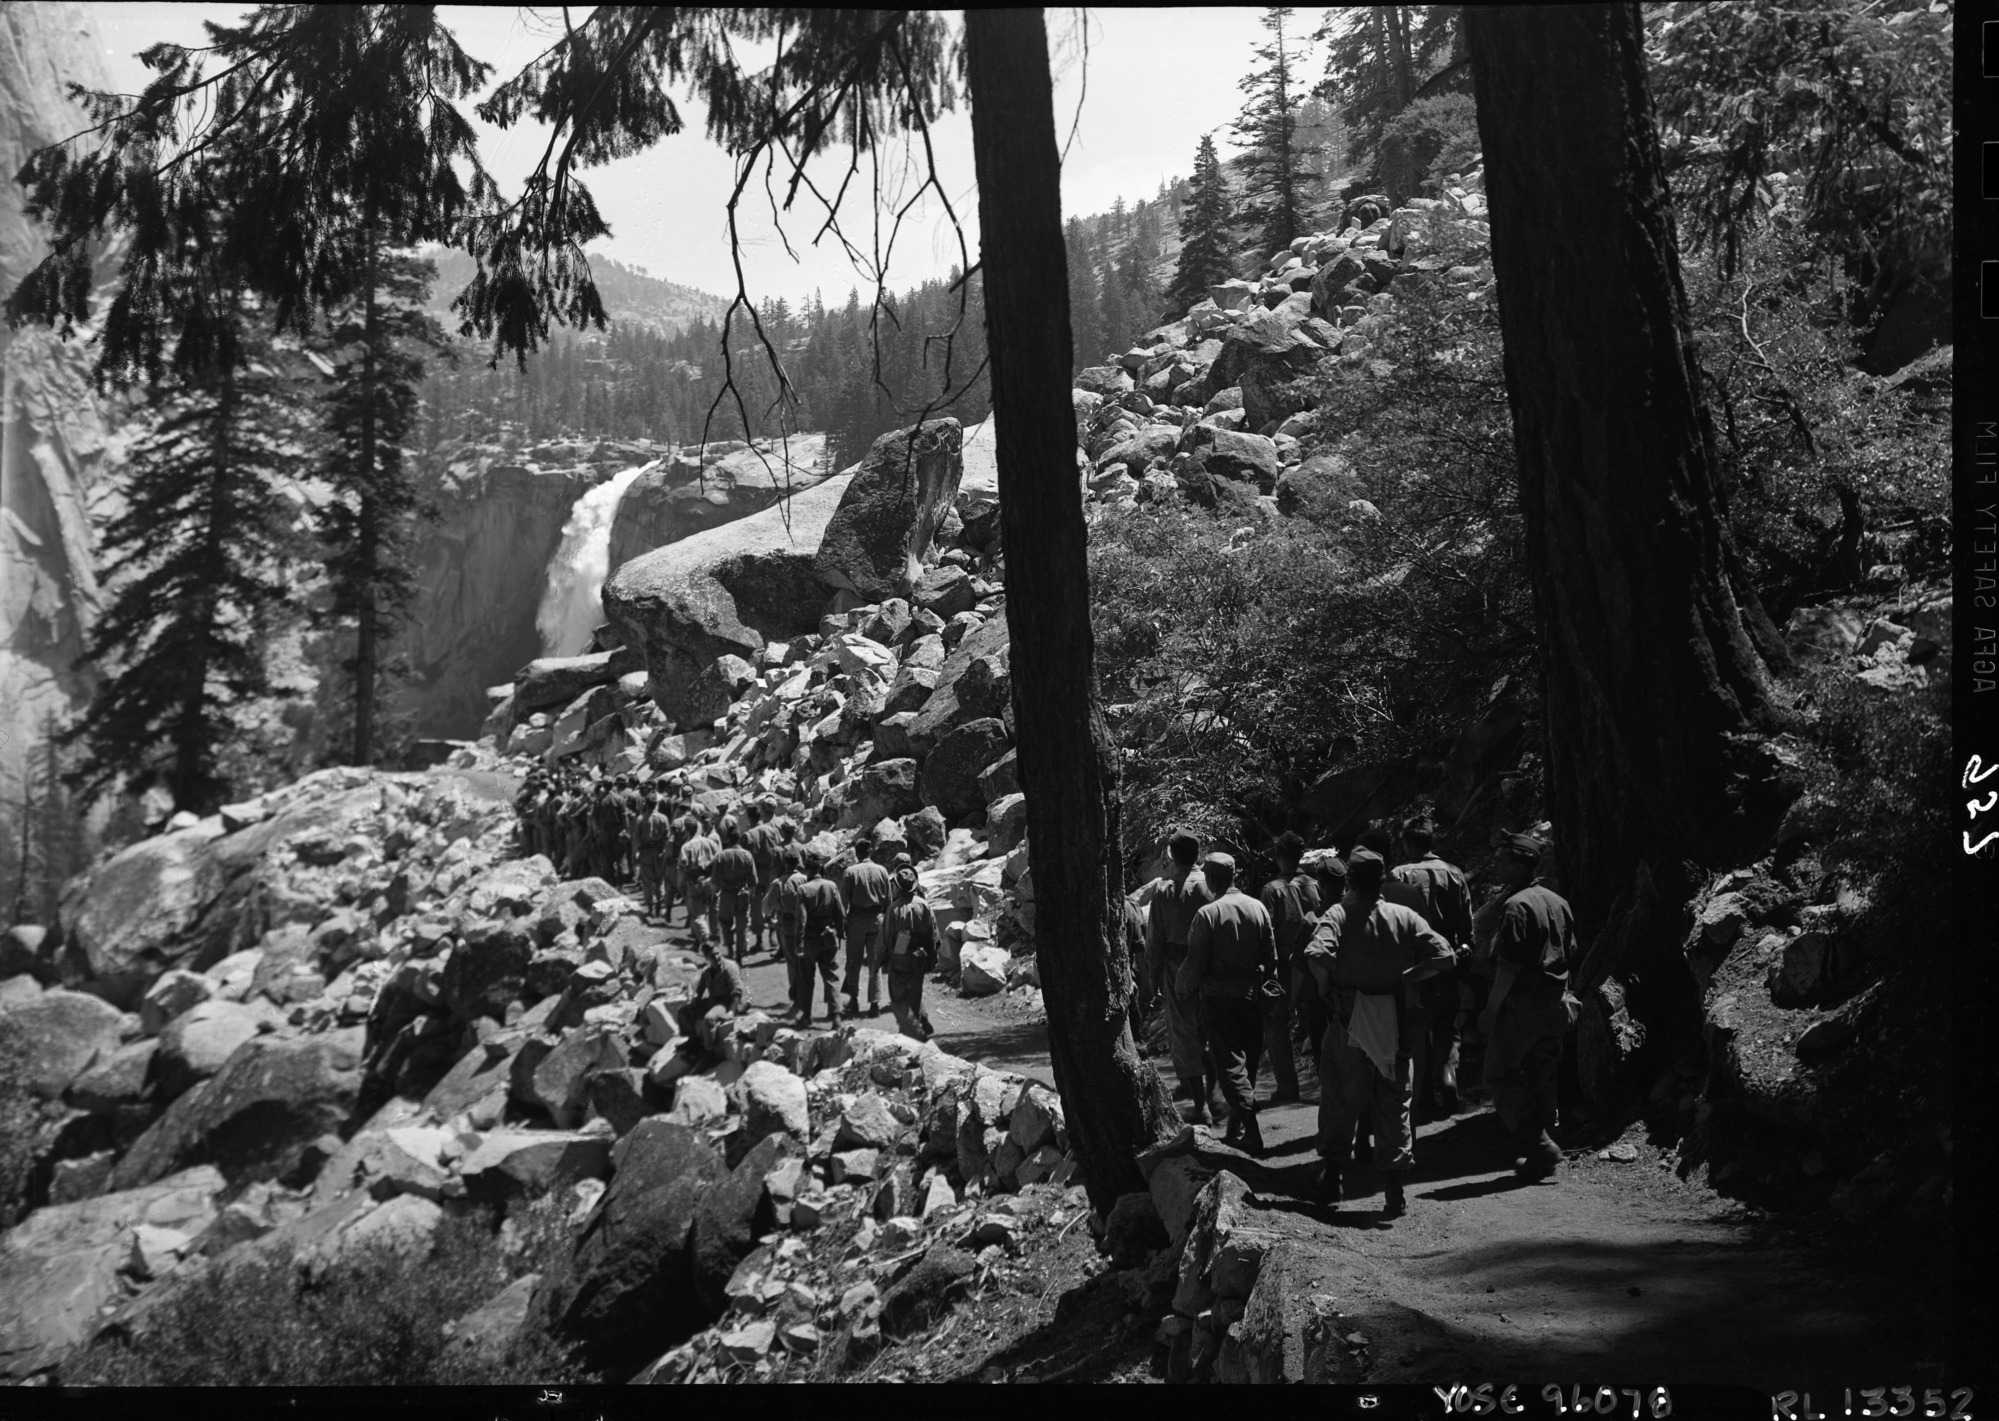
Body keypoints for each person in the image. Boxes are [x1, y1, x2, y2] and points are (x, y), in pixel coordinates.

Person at [1302, 846, 1454, 1218]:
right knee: (1394, 1100)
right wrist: (1408, 977)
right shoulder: (1403, 916)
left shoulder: (1339, 913)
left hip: (1350, 1018)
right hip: (1395, 1018)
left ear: (1351, 881)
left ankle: (1333, 1176)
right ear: (1383, 877)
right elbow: (1445, 956)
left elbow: (1316, 954)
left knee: (1340, 1094)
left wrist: (1327, 986)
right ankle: (1394, 1190)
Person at [1478, 833, 1581, 1181]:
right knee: (1541, 1076)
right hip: (1555, 1003)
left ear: (1520, 862)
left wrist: (1491, 1010)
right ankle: (1543, 1150)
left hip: (1521, 1007)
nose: (1496, 865)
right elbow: (1571, 950)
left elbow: (1508, 966)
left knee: (1499, 1074)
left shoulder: (1516, 907)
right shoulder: (1557, 901)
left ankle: (1538, 1143)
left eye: (1502, 859)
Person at [1178, 852, 1278, 1157]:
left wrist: (1183, 988)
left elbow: (1194, 962)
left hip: (1218, 997)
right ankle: (1238, 1125)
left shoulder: (1207, 914)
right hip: (1251, 995)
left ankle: (1253, 1132)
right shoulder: (1257, 907)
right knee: (1247, 1061)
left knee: (1229, 1063)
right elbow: (1271, 959)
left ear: (1209, 879)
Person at [1390, 815, 1477, 1120]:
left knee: (1415, 1029)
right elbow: (1467, 922)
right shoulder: (1454, 873)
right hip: (1447, 960)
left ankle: (1423, 1095)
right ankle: (1449, 1077)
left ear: (1407, 843)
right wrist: (1465, 945)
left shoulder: (1398, 875)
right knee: (1447, 1026)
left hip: (1412, 965)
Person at [1144, 829, 1220, 1122]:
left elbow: (1155, 939)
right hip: (1211, 964)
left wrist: (1151, 976)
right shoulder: (1212, 884)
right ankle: (1215, 1096)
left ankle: (1201, 1105)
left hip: (1177, 966)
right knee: (1209, 1029)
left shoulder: (1165, 890)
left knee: (1185, 1033)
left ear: (1173, 855)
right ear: (1198, 854)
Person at [1257, 830, 1318, 1104]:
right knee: (1318, 1022)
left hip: (1283, 965)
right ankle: (1328, 1081)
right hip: (1316, 963)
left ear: (1280, 858)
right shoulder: (1316, 884)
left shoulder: (1272, 890)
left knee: (1275, 1024)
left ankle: (1287, 1087)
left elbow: (1266, 932)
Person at [649, 934, 749, 1097]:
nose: (716, 957)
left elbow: (737, 992)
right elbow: (700, 990)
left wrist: (731, 1011)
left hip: (726, 1002)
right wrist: (694, 1003)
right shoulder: (707, 971)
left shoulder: (730, 967)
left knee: (710, 1019)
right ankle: (693, 1040)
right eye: (712, 956)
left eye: (717, 954)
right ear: (707, 958)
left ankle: (709, 1052)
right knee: (683, 1012)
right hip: (713, 1000)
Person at [878, 859, 939, 1042]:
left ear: (897, 886)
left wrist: (880, 960)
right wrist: (932, 959)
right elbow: (933, 935)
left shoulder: (893, 909)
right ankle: (915, 1031)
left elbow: (886, 937)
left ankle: (912, 1035)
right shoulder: (924, 905)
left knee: (898, 998)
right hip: (919, 956)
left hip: (900, 957)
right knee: (915, 994)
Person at [839, 835, 893, 1018]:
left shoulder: (850, 872)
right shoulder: (882, 871)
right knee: (874, 963)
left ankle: (853, 1001)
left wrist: (842, 923)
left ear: (857, 853)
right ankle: (874, 1004)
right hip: (877, 920)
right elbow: (888, 901)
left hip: (856, 920)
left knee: (853, 962)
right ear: (870, 852)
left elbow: (843, 901)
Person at [797, 850, 849, 1027]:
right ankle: (836, 1016)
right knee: (831, 976)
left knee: (806, 978)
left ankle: (806, 1016)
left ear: (807, 870)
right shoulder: (831, 886)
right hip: (828, 937)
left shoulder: (803, 889)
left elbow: (802, 920)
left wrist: (800, 942)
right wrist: (840, 932)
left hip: (810, 938)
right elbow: (840, 913)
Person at [764, 845, 810, 1021]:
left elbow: (766, 908)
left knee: (792, 963)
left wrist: (778, 906)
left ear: (785, 863)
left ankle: (797, 999)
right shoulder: (806, 879)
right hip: (806, 924)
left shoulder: (778, 883)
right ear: (798, 863)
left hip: (788, 924)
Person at [711, 820, 759, 963]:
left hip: (726, 894)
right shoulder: (747, 855)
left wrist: (714, 895)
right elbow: (753, 880)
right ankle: (740, 954)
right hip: (742, 894)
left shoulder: (721, 855)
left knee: (725, 922)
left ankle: (730, 949)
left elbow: (715, 880)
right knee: (742, 924)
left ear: (727, 838)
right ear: (739, 838)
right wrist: (751, 894)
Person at [742, 803, 780, 955]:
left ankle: (759, 940)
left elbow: (744, 857)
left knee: (756, 905)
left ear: (749, 817)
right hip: (771, 871)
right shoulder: (771, 830)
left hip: (756, 872)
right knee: (772, 901)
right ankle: (772, 933)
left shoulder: (749, 834)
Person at [678, 814, 721, 945]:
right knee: (713, 910)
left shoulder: (686, 847)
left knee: (698, 916)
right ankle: (715, 937)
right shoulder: (711, 843)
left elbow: (682, 868)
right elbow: (719, 860)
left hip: (694, 883)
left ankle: (705, 940)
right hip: (710, 881)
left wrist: (680, 885)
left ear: (686, 829)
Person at [635, 794, 674, 919]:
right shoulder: (663, 818)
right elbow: (667, 837)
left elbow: (637, 838)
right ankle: (659, 905)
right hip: (659, 852)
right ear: (656, 803)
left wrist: (637, 852)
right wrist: (665, 851)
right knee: (660, 880)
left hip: (646, 853)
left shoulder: (640, 819)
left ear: (646, 804)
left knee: (647, 881)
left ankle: (651, 908)